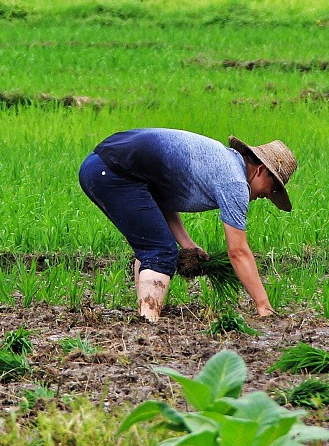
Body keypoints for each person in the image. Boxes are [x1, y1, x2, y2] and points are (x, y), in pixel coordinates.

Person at [79, 128, 297, 322]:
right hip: (112, 172)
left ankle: (143, 318)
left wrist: (187, 244)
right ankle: (148, 325)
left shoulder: (220, 160)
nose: (269, 195)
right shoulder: (235, 183)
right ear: (260, 170)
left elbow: (158, 198)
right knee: (160, 251)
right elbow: (238, 252)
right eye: (274, 186)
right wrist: (263, 305)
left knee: (150, 246)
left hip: (98, 165)